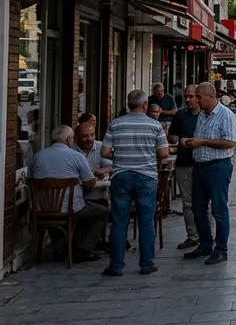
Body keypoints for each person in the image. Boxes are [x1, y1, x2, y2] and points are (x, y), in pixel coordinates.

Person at [101, 90, 170, 276]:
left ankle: (116, 265)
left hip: (121, 176)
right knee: (147, 222)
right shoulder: (154, 125)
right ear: (145, 105)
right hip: (146, 177)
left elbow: (105, 152)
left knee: (119, 222)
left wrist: (121, 156)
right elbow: (164, 154)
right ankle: (147, 264)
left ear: (128, 104)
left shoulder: (115, 124)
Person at [28, 125, 107, 262]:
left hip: (42, 209)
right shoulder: (76, 156)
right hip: (72, 209)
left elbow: (30, 179)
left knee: (57, 210)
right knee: (103, 212)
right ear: (70, 139)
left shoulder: (37, 156)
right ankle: (84, 249)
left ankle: (59, 248)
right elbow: (91, 183)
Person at [182, 82, 236, 265]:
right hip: (200, 165)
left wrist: (203, 142)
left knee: (218, 209)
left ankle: (221, 249)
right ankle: (205, 244)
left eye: (198, 96)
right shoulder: (202, 115)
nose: (195, 100)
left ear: (210, 96)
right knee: (198, 208)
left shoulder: (225, 115)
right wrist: (192, 143)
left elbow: (230, 142)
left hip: (218, 167)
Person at [168, 85, 203, 249]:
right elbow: (173, 137)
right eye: (186, 97)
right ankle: (192, 235)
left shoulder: (206, 115)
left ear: (198, 97)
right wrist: (178, 140)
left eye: (191, 96)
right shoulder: (180, 114)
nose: (188, 100)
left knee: (203, 201)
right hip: (184, 161)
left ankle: (205, 235)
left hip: (202, 162)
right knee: (187, 202)